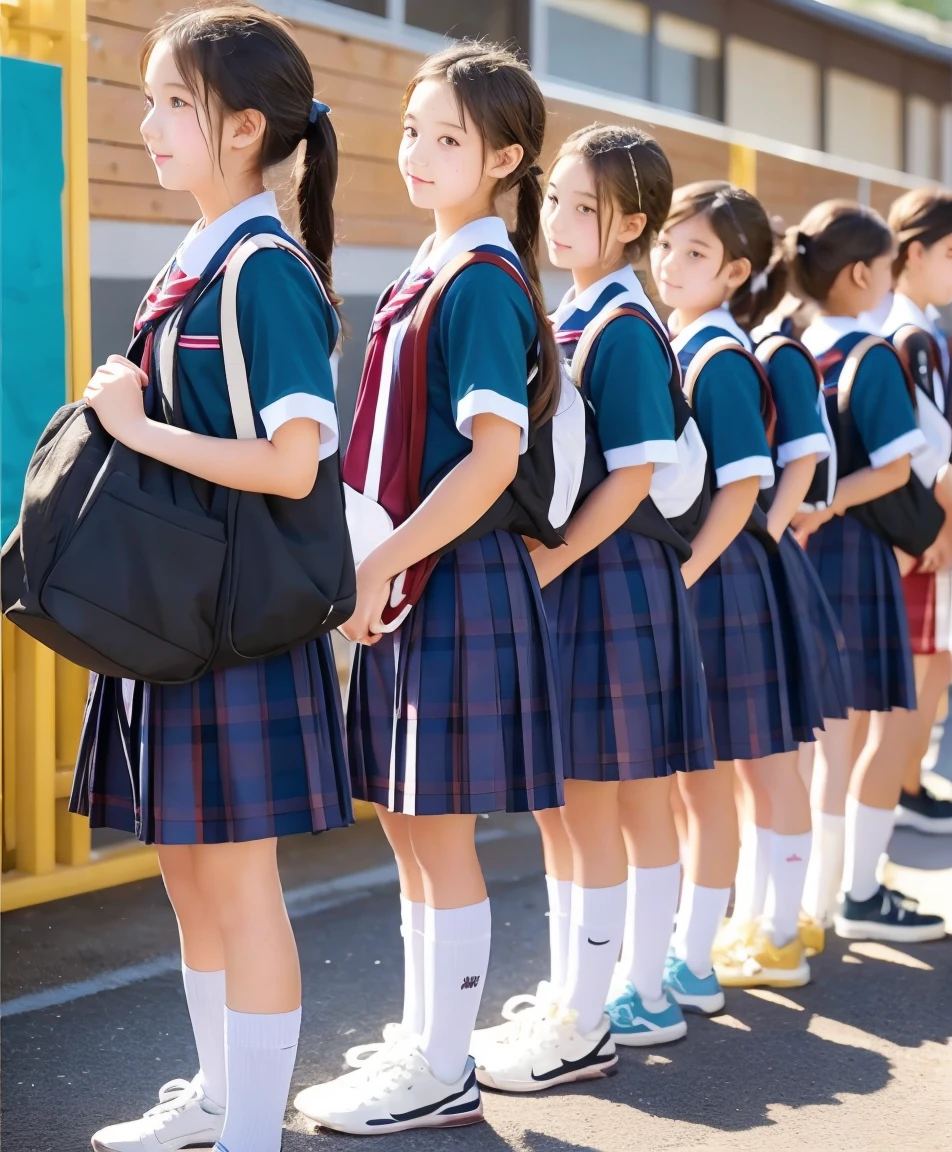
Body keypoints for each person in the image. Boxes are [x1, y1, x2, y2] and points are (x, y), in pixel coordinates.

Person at [69, 7, 353, 1151]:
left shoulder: (265, 270)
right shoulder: (204, 261)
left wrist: (136, 429)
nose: (146, 124)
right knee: (188, 870)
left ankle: (251, 1130)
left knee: (238, 884)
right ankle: (220, 1099)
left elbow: (296, 462)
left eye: (170, 103)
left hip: (231, 627)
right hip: (177, 621)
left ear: (243, 127)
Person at [294, 41, 565, 1134]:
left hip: (451, 574)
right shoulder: (436, 261)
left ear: (504, 157)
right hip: (423, 572)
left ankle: (441, 1065)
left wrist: (382, 560)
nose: (417, 151)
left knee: (434, 831)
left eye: (447, 137)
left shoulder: (482, 281)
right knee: (409, 827)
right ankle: (426, 1042)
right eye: (411, 129)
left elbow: (492, 459)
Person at [470, 124, 712, 1091]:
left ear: (634, 222)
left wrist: (548, 563)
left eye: (587, 206)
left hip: (607, 577)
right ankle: (606, 989)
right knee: (584, 805)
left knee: (595, 803)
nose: (562, 219)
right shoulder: (575, 312)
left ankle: (605, 1003)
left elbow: (639, 473)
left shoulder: (620, 325)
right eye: (557, 199)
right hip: (595, 577)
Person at [651, 182, 826, 991]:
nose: (671, 263)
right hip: (715, 576)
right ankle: (723, 935)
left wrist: (692, 571)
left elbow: (750, 483)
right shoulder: (684, 342)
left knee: (750, 769)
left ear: (735, 272)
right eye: (666, 245)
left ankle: (778, 933)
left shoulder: (718, 357)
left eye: (696, 253)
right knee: (713, 776)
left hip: (723, 580)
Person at [793, 200, 945, 943]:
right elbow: (894, 469)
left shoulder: (787, 344)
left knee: (802, 740)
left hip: (791, 554)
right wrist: (827, 504)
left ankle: (801, 901)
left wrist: (806, 507)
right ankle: (847, 895)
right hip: (852, 553)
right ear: (861, 273)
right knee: (853, 737)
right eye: (886, 270)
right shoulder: (874, 354)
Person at [882, 188, 952, 837]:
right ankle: (903, 786)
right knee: (923, 668)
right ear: (914, 252)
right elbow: (934, 452)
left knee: (932, 666)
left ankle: (907, 781)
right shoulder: (910, 336)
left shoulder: (913, 328)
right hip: (924, 533)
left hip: (915, 529)